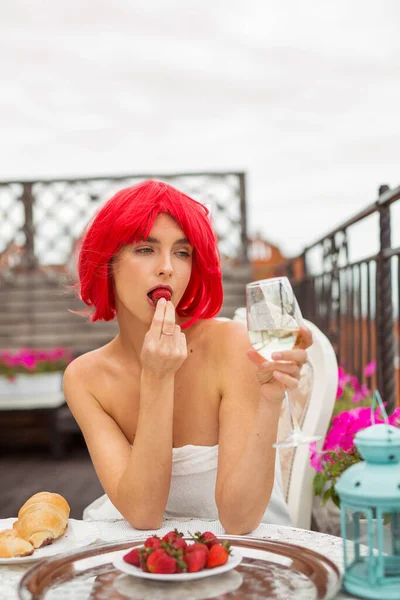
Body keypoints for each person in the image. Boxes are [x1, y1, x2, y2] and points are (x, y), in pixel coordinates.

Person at [63, 179, 312, 534]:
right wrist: (158, 378)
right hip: (136, 544)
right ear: (108, 263)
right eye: (146, 249)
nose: (167, 267)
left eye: (182, 252)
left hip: (237, 546)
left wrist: (270, 401)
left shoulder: (231, 346)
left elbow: (240, 522)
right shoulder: (84, 378)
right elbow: (144, 515)